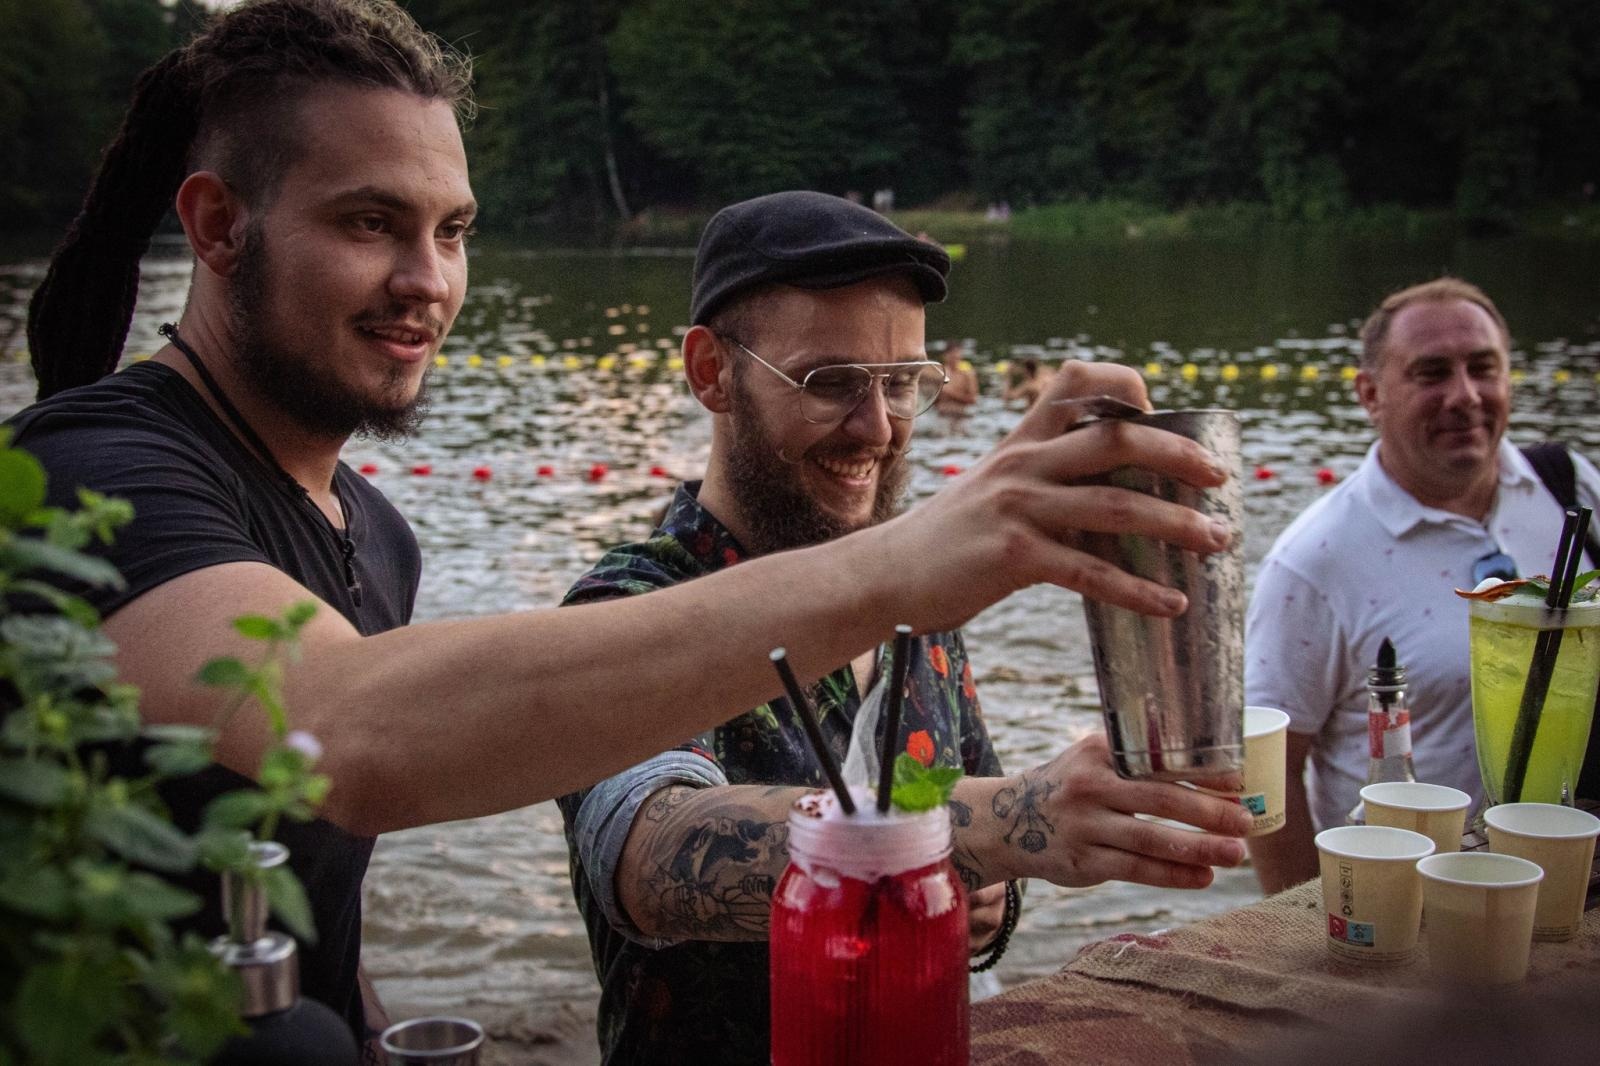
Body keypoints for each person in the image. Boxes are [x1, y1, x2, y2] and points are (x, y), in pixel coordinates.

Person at [11, 0, 1238, 1043]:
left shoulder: (370, 530)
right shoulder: (92, 474)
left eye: (452, 232)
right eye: (368, 222)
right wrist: (915, 587)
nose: (428, 283)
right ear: (220, 226)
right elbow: (347, 733)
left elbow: (307, 894)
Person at [556, 191, 1253, 1066]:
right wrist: (1013, 822)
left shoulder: (921, 601)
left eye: (902, 385)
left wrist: (988, 889)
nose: (878, 428)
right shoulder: (629, 600)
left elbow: (980, 852)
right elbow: (652, 854)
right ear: (711, 373)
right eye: (832, 384)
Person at [1244, 277, 1600, 893]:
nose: (1464, 395)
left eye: (1483, 369)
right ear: (1370, 394)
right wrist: (1313, 935)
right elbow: (1264, 777)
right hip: (1416, 914)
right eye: (1431, 373)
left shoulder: (1569, 489)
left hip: (1576, 888)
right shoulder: (1312, 562)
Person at [935, 340, 980, 416]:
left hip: (961, 413)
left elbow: (973, 399)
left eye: (957, 354)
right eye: (952, 354)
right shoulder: (938, 373)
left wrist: (949, 393)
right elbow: (931, 401)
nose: (955, 357)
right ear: (945, 356)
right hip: (942, 413)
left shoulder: (968, 374)